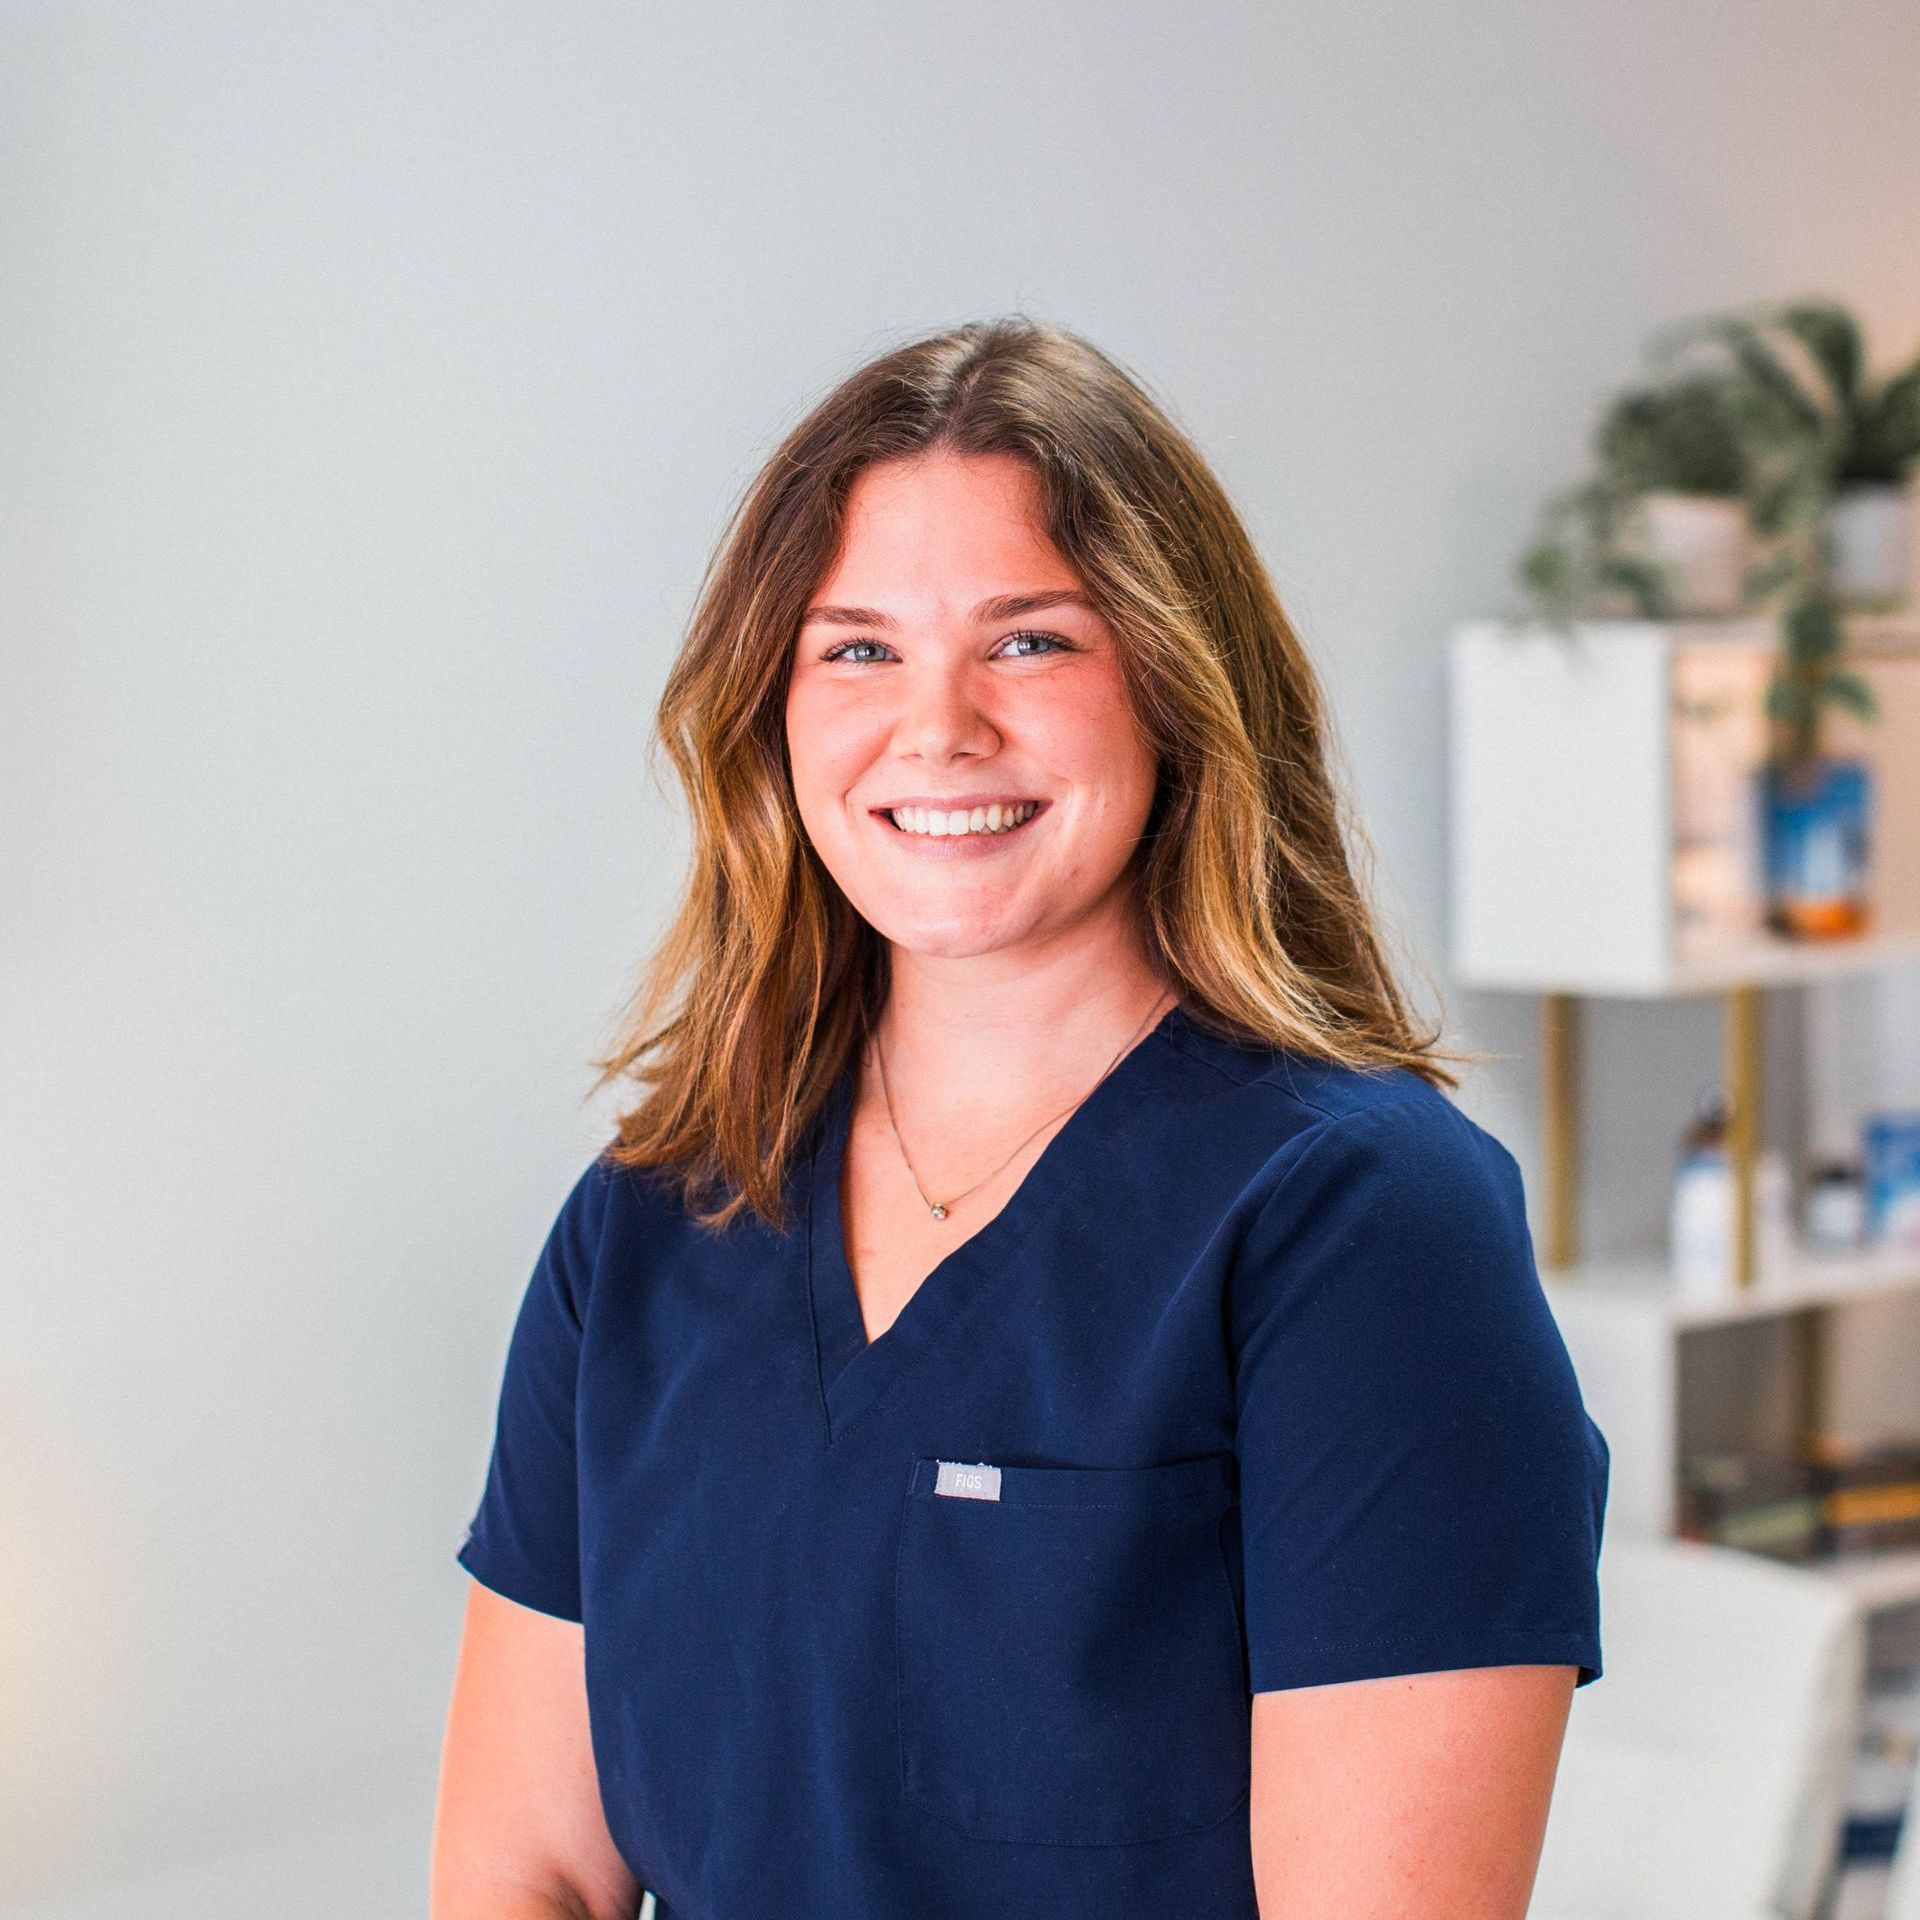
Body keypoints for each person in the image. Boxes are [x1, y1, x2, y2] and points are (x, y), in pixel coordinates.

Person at [430, 316, 1609, 1920]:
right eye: (857, 649)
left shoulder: (1365, 1229)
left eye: (1031, 641)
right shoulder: (651, 1222)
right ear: (769, 716)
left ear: (1178, 687)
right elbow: (536, 1872)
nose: (939, 729)